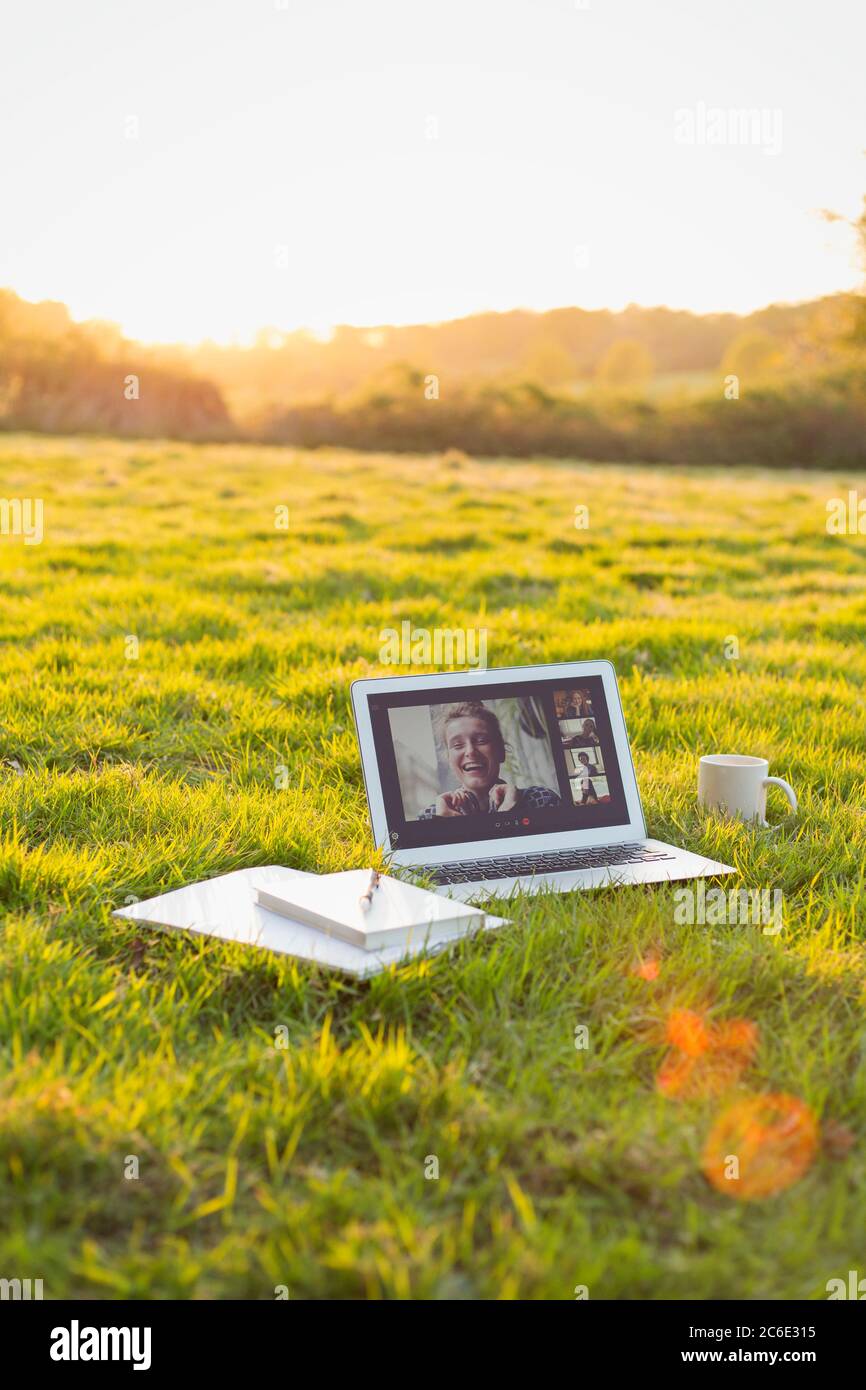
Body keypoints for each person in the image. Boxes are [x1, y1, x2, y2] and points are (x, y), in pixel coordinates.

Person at [418, 701, 561, 818]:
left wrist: (509, 815)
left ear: (501, 752)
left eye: (481, 741)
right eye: (458, 745)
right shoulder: (430, 816)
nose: (470, 752)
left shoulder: (542, 801)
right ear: (449, 759)